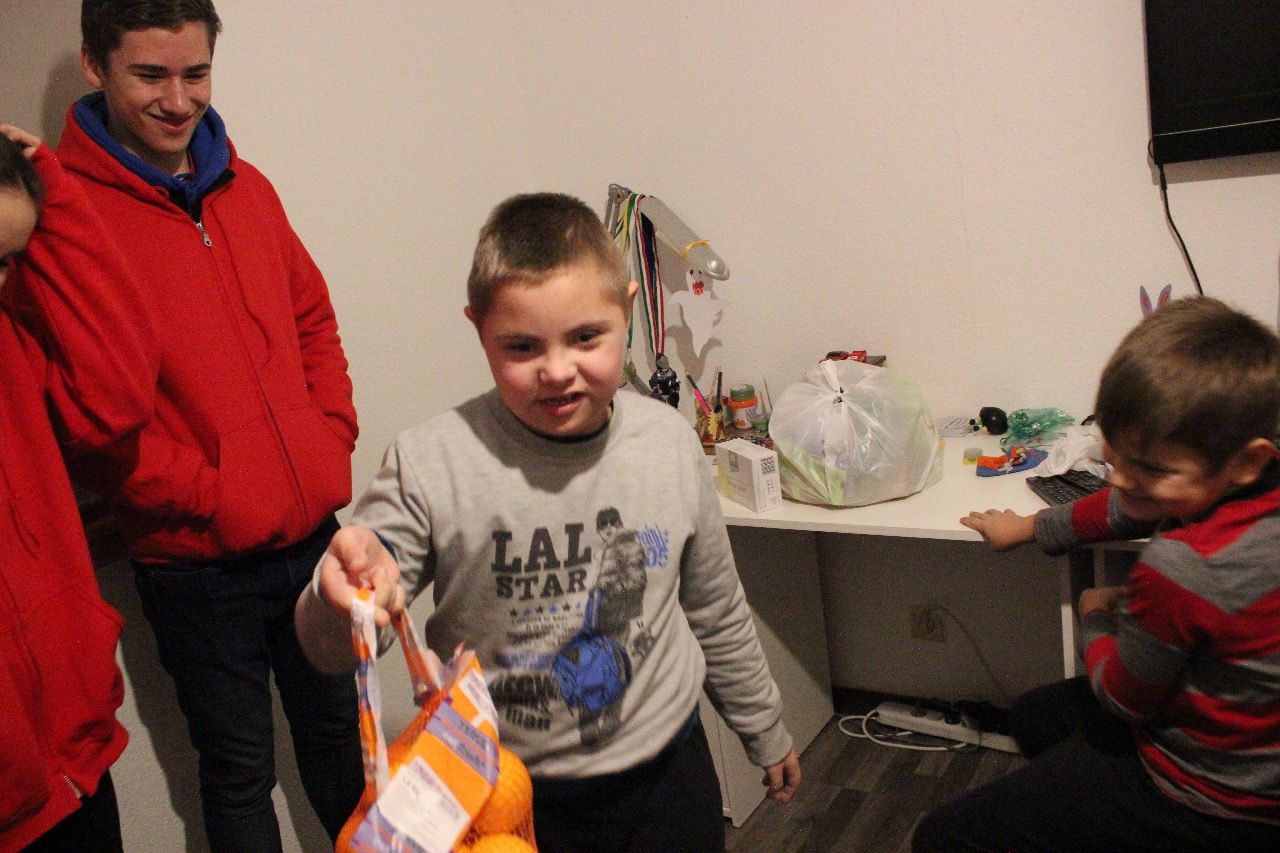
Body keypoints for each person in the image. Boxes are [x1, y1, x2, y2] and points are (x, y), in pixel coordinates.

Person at [295, 192, 802, 852]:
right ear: (479, 329)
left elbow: (716, 605)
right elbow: (329, 648)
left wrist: (763, 726)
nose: (557, 370)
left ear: (625, 310)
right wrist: (339, 597)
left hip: (669, 776)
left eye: (586, 337)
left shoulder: (669, 443)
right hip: (509, 797)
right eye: (521, 346)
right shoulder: (430, 464)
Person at [10, 2, 366, 849]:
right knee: (240, 777)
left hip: (313, 537)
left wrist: (330, 433)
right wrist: (214, 493)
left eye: (195, 73)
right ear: (95, 66)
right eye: (149, 75)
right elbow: (92, 420)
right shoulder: (66, 224)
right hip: (197, 567)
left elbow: (312, 318)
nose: (178, 100)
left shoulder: (248, 186)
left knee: (348, 747)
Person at [914, 296, 1280, 852]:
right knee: (1035, 716)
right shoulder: (1249, 477)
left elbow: (1124, 700)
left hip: (1213, 795)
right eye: (1113, 455)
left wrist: (1098, 617)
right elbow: (1129, 504)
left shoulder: (1183, 566)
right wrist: (1032, 526)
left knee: (944, 838)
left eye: (1149, 467)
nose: (1120, 479)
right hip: (1251, 749)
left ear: (1246, 462)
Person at [0, 124, 155, 852]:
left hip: (75, 757)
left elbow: (115, 398)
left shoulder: (9, 336)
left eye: (8, 260)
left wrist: (54, 202)